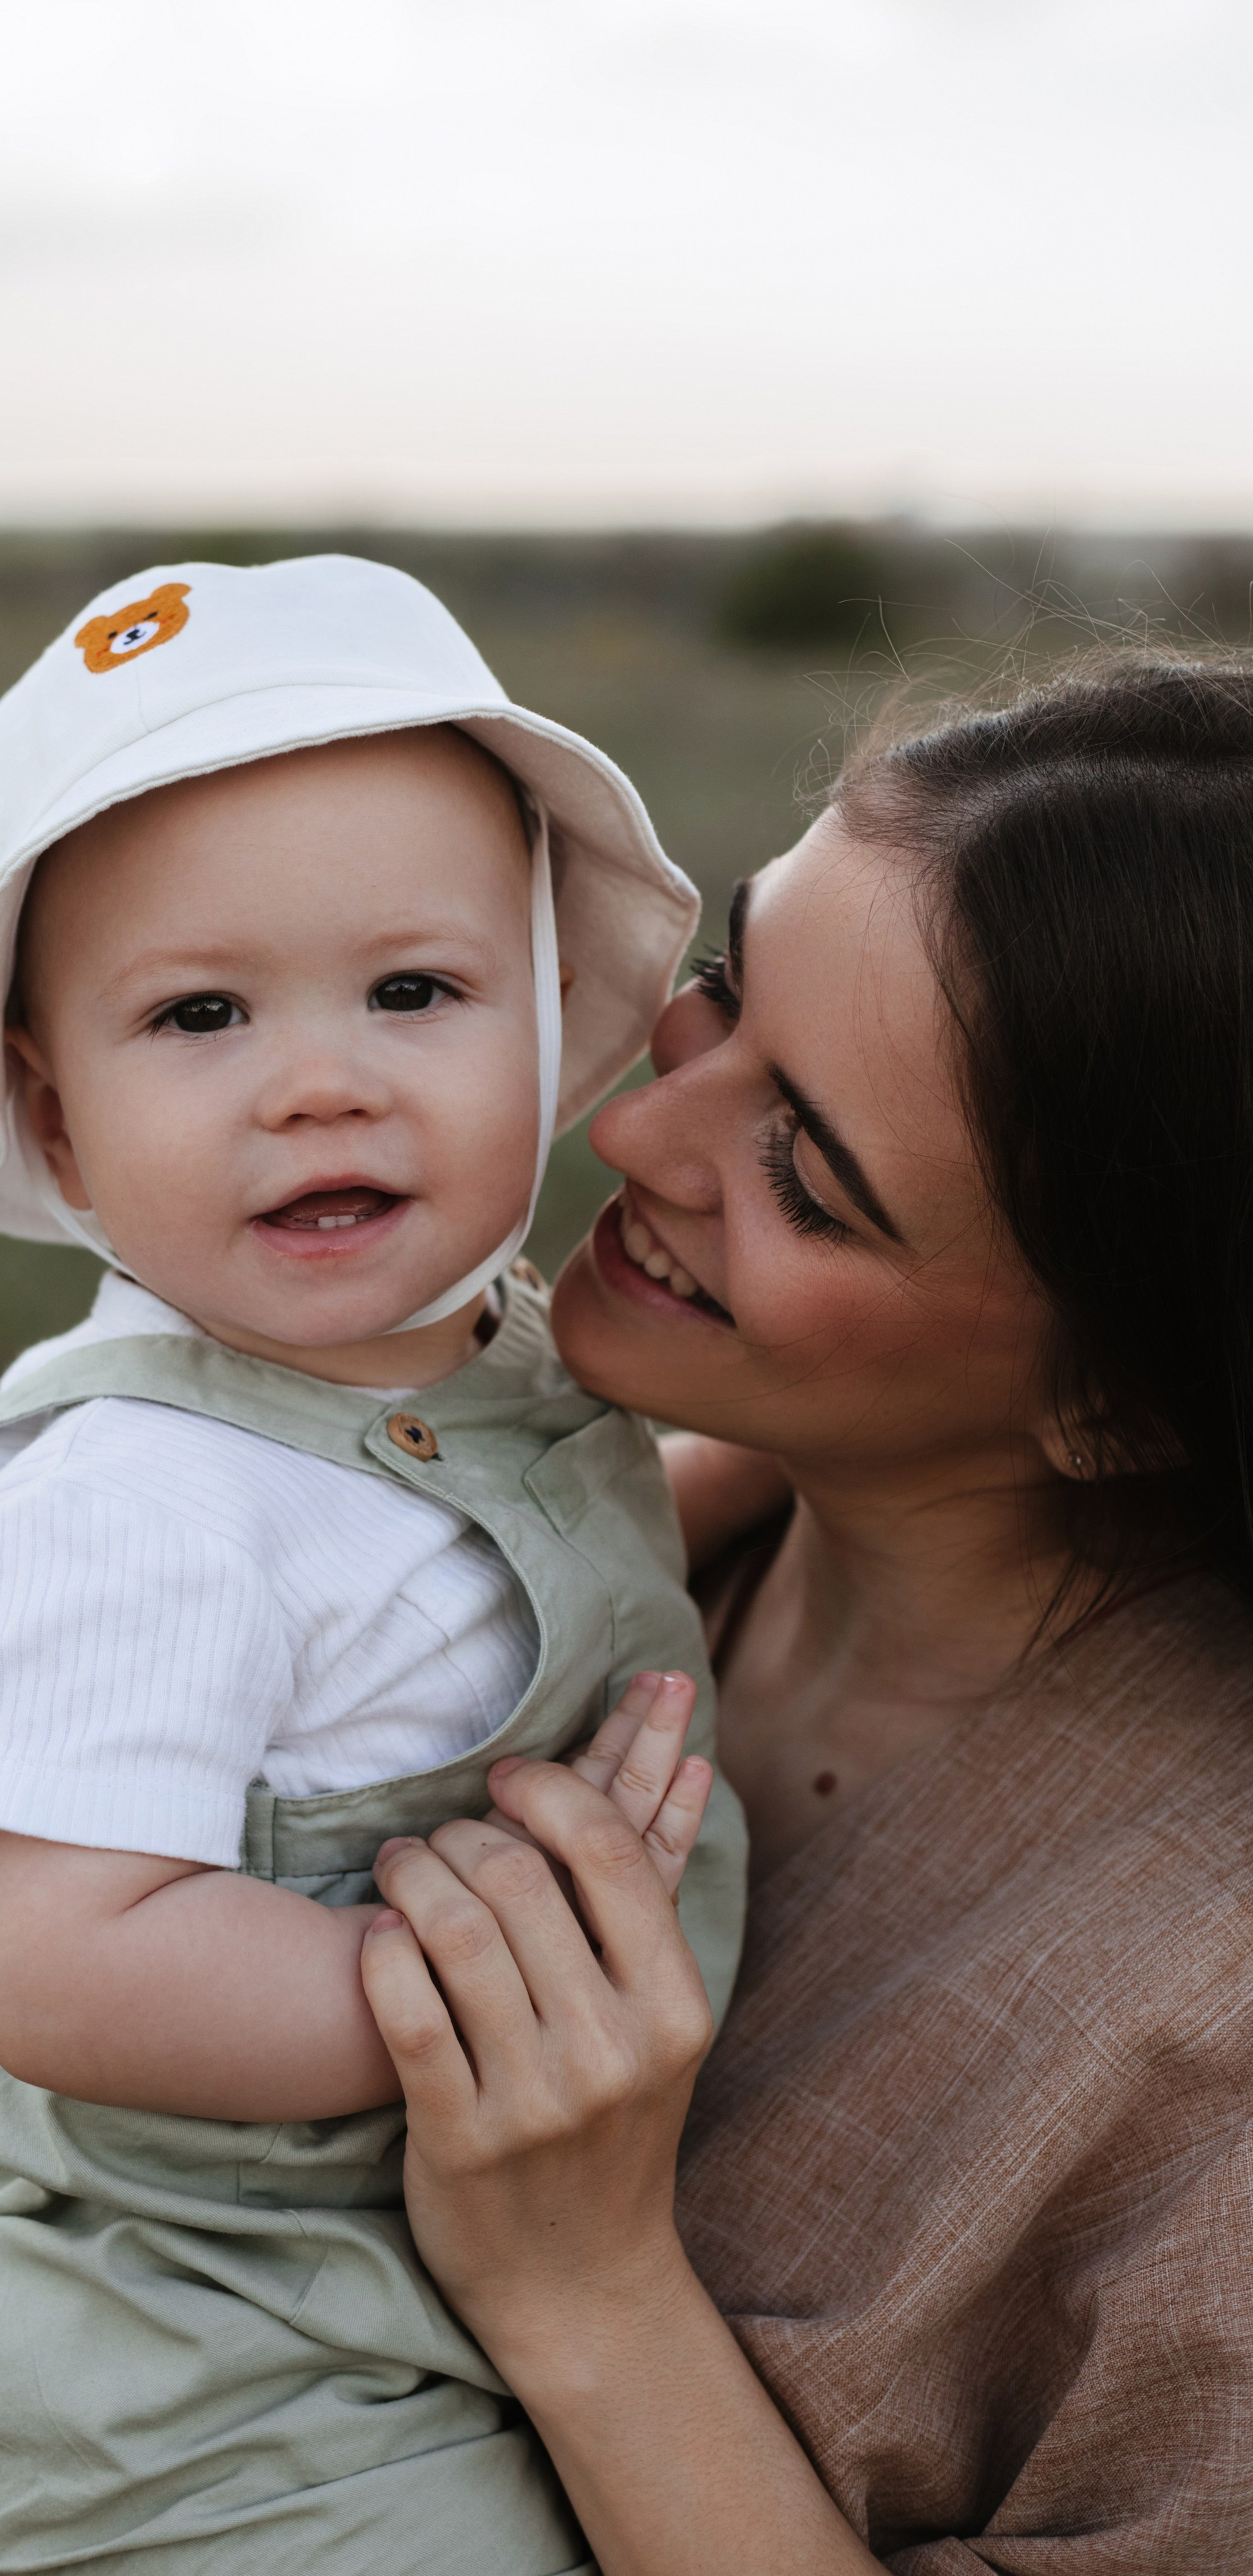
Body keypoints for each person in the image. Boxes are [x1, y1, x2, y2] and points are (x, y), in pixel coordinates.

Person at [0, 553, 748, 2576]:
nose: (319, 1077)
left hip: (374, 2237)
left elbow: (470, 1587)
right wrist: (477, 2016)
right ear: (58, 1127)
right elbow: (65, 1963)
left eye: (414, 992)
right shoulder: (135, 1505)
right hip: (204, 2335)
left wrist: (746, 1486)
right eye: (201, 1014)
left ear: (554, 1026)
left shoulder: (479, 1345)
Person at [360, 651, 1253, 2571]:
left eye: (807, 1176)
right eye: (719, 1003)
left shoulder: (1210, 2053)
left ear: (1123, 1398)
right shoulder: (558, 1551)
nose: (634, 1140)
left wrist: (589, 2293)